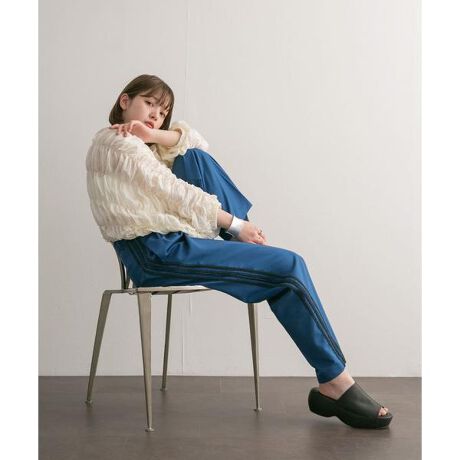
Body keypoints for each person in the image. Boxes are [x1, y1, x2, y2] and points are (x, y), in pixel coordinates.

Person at [86, 74, 393, 429]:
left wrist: (154, 135)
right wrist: (235, 224)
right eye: (149, 103)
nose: (156, 114)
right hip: (154, 252)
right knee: (289, 267)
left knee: (194, 157)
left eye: (163, 111)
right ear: (125, 101)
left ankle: (333, 380)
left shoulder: (144, 146)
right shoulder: (117, 143)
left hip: (172, 243)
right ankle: (336, 383)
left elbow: (194, 142)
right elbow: (174, 193)